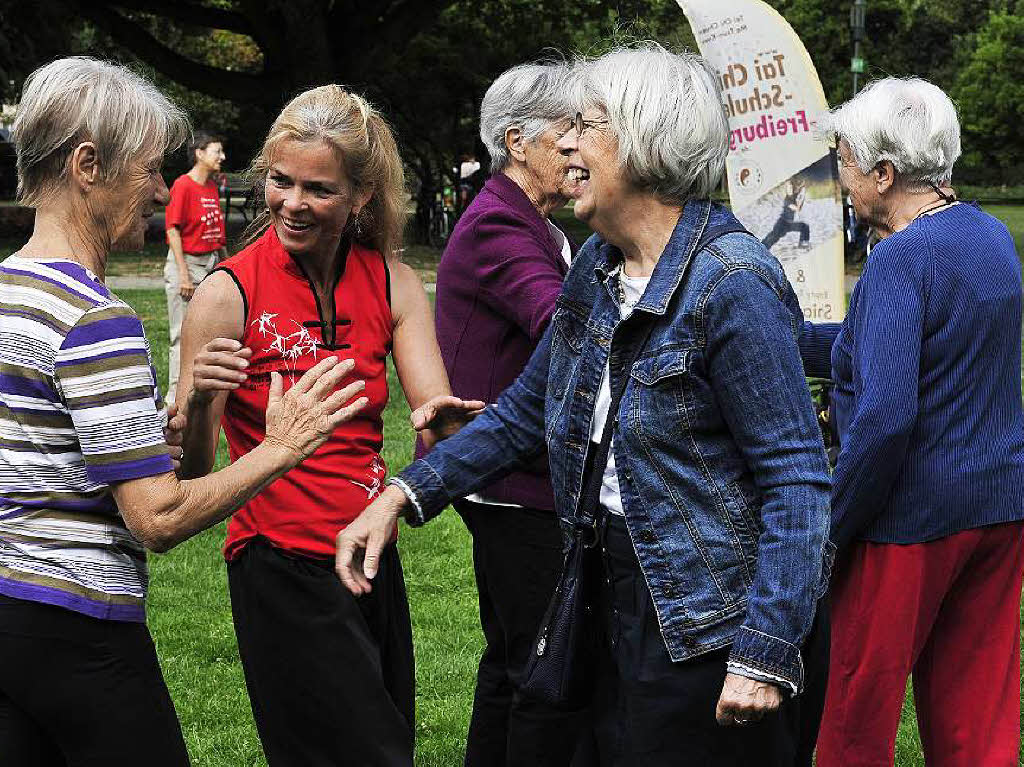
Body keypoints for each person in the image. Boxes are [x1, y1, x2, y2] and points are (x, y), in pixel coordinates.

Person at [338, 44, 833, 767]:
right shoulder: (599, 269)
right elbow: (522, 411)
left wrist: (764, 648)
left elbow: (797, 479)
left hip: (705, 622)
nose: (564, 143)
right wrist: (406, 493)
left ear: (645, 139)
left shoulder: (732, 283)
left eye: (587, 124)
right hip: (604, 590)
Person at [0, 57, 365, 767]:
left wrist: (164, 424)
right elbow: (157, 518)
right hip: (80, 624)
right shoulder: (93, 317)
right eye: (145, 169)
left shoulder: (9, 289)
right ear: (87, 165)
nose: (159, 189)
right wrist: (281, 447)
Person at [175, 84, 483, 767]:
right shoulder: (229, 294)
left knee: (386, 744)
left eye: (317, 188)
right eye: (280, 181)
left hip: (371, 554)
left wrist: (447, 424)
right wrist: (199, 402)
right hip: (278, 562)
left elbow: (434, 418)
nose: (291, 203)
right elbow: (192, 477)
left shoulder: (391, 281)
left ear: (361, 195)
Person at [797, 77, 1024, 767]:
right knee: (976, 717)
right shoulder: (989, 236)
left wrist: (833, 528)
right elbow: (890, 345)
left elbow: (887, 417)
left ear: (884, 173)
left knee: (852, 722)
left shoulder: (899, 258)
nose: (840, 177)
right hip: (999, 508)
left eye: (843, 161)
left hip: (907, 522)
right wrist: (785, 332)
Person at [431, 62, 586, 766]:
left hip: (507, 472)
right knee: (541, 663)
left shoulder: (528, 219)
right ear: (518, 141)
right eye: (569, 130)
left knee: (512, 656)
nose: (581, 147)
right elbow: (563, 321)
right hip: (512, 481)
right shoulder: (499, 221)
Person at [164, 130, 227, 405]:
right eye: (217, 151)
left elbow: (217, 232)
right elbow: (173, 230)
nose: (222, 157)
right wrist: (184, 275)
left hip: (212, 262)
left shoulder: (211, 186)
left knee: (210, 331)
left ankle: (202, 393)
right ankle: (175, 398)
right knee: (182, 334)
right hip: (188, 264)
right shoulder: (183, 185)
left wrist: (227, 267)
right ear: (200, 153)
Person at [761, 176, 810, 250]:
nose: (790, 189)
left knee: (804, 226)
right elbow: (798, 208)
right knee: (773, 237)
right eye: (788, 188)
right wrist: (802, 195)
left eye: (791, 187)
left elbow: (799, 193)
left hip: (789, 224)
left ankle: (802, 243)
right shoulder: (787, 200)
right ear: (786, 190)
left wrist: (803, 189)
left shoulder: (793, 196)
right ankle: (761, 247)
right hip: (782, 223)